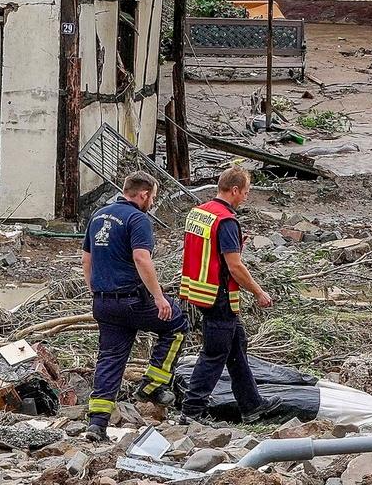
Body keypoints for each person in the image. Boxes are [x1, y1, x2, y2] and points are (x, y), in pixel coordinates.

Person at [81, 170, 187, 441]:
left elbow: (86, 259)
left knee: (110, 359)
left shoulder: (99, 215)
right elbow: (141, 258)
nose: (152, 201)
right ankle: (152, 386)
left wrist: (96, 291)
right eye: (152, 197)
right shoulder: (138, 219)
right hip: (132, 300)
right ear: (143, 194)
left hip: (104, 302)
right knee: (176, 323)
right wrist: (159, 297)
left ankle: (97, 423)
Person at [178, 165, 273, 421]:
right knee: (214, 354)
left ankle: (251, 404)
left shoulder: (199, 212)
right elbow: (235, 265)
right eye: (245, 192)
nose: (246, 197)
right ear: (234, 190)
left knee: (236, 345)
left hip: (198, 290)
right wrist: (258, 292)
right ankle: (192, 411)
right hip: (218, 295)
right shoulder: (227, 221)